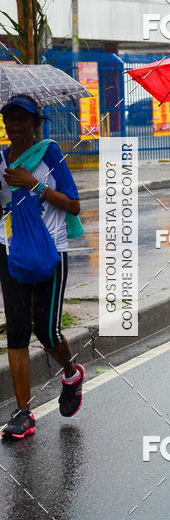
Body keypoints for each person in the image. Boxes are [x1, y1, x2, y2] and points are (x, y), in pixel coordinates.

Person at [0, 96, 84, 440]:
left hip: (50, 251)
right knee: (17, 331)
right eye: (9, 120)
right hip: (11, 251)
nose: (15, 126)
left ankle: (71, 373)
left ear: (37, 124)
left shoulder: (50, 154)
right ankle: (23, 412)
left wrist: (34, 184)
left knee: (46, 331)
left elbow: (74, 205)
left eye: (22, 120)